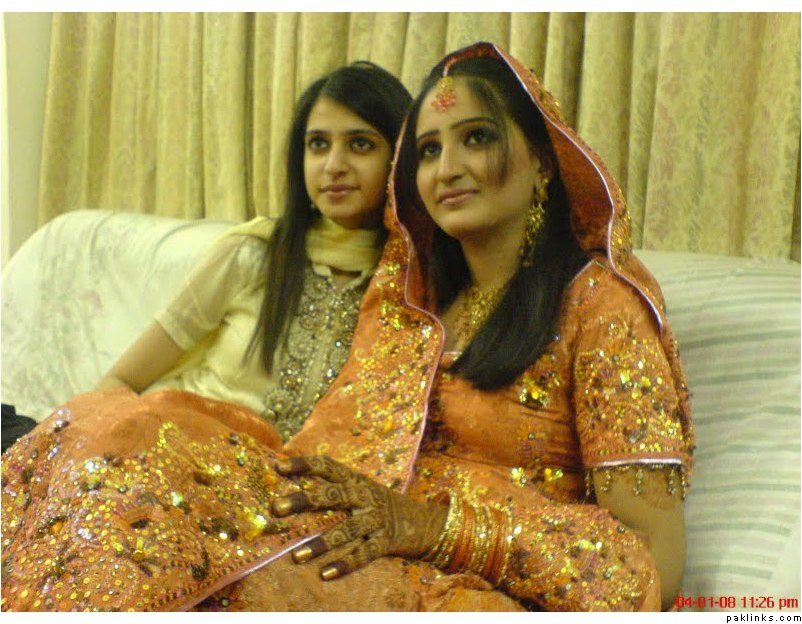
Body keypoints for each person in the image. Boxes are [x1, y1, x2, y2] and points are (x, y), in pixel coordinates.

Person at [1, 43, 694, 612]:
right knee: (116, 445)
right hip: (354, 536)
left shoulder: (602, 309)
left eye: (477, 138)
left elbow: (651, 568)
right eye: (427, 151)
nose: (447, 169)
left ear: (544, 158)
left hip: (460, 582)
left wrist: (441, 528)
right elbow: (341, 450)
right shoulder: (411, 300)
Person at [93, 61, 412, 442]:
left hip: (295, 477)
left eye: (360, 144)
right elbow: (121, 380)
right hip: (181, 449)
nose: (333, 165)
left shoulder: (411, 286)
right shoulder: (252, 254)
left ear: (400, 156)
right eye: (318, 144)